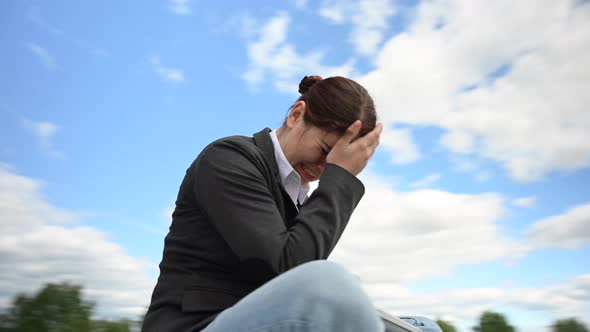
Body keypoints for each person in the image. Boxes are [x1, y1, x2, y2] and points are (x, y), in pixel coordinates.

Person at [142, 75, 384, 332]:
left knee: (419, 326)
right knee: (329, 282)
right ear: (296, 115)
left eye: (337, 161)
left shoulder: (297, 197)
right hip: (194, 325)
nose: (326, 169)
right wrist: (342, 178)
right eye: (325, 151)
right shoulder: (228, 159)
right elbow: (289, 271)